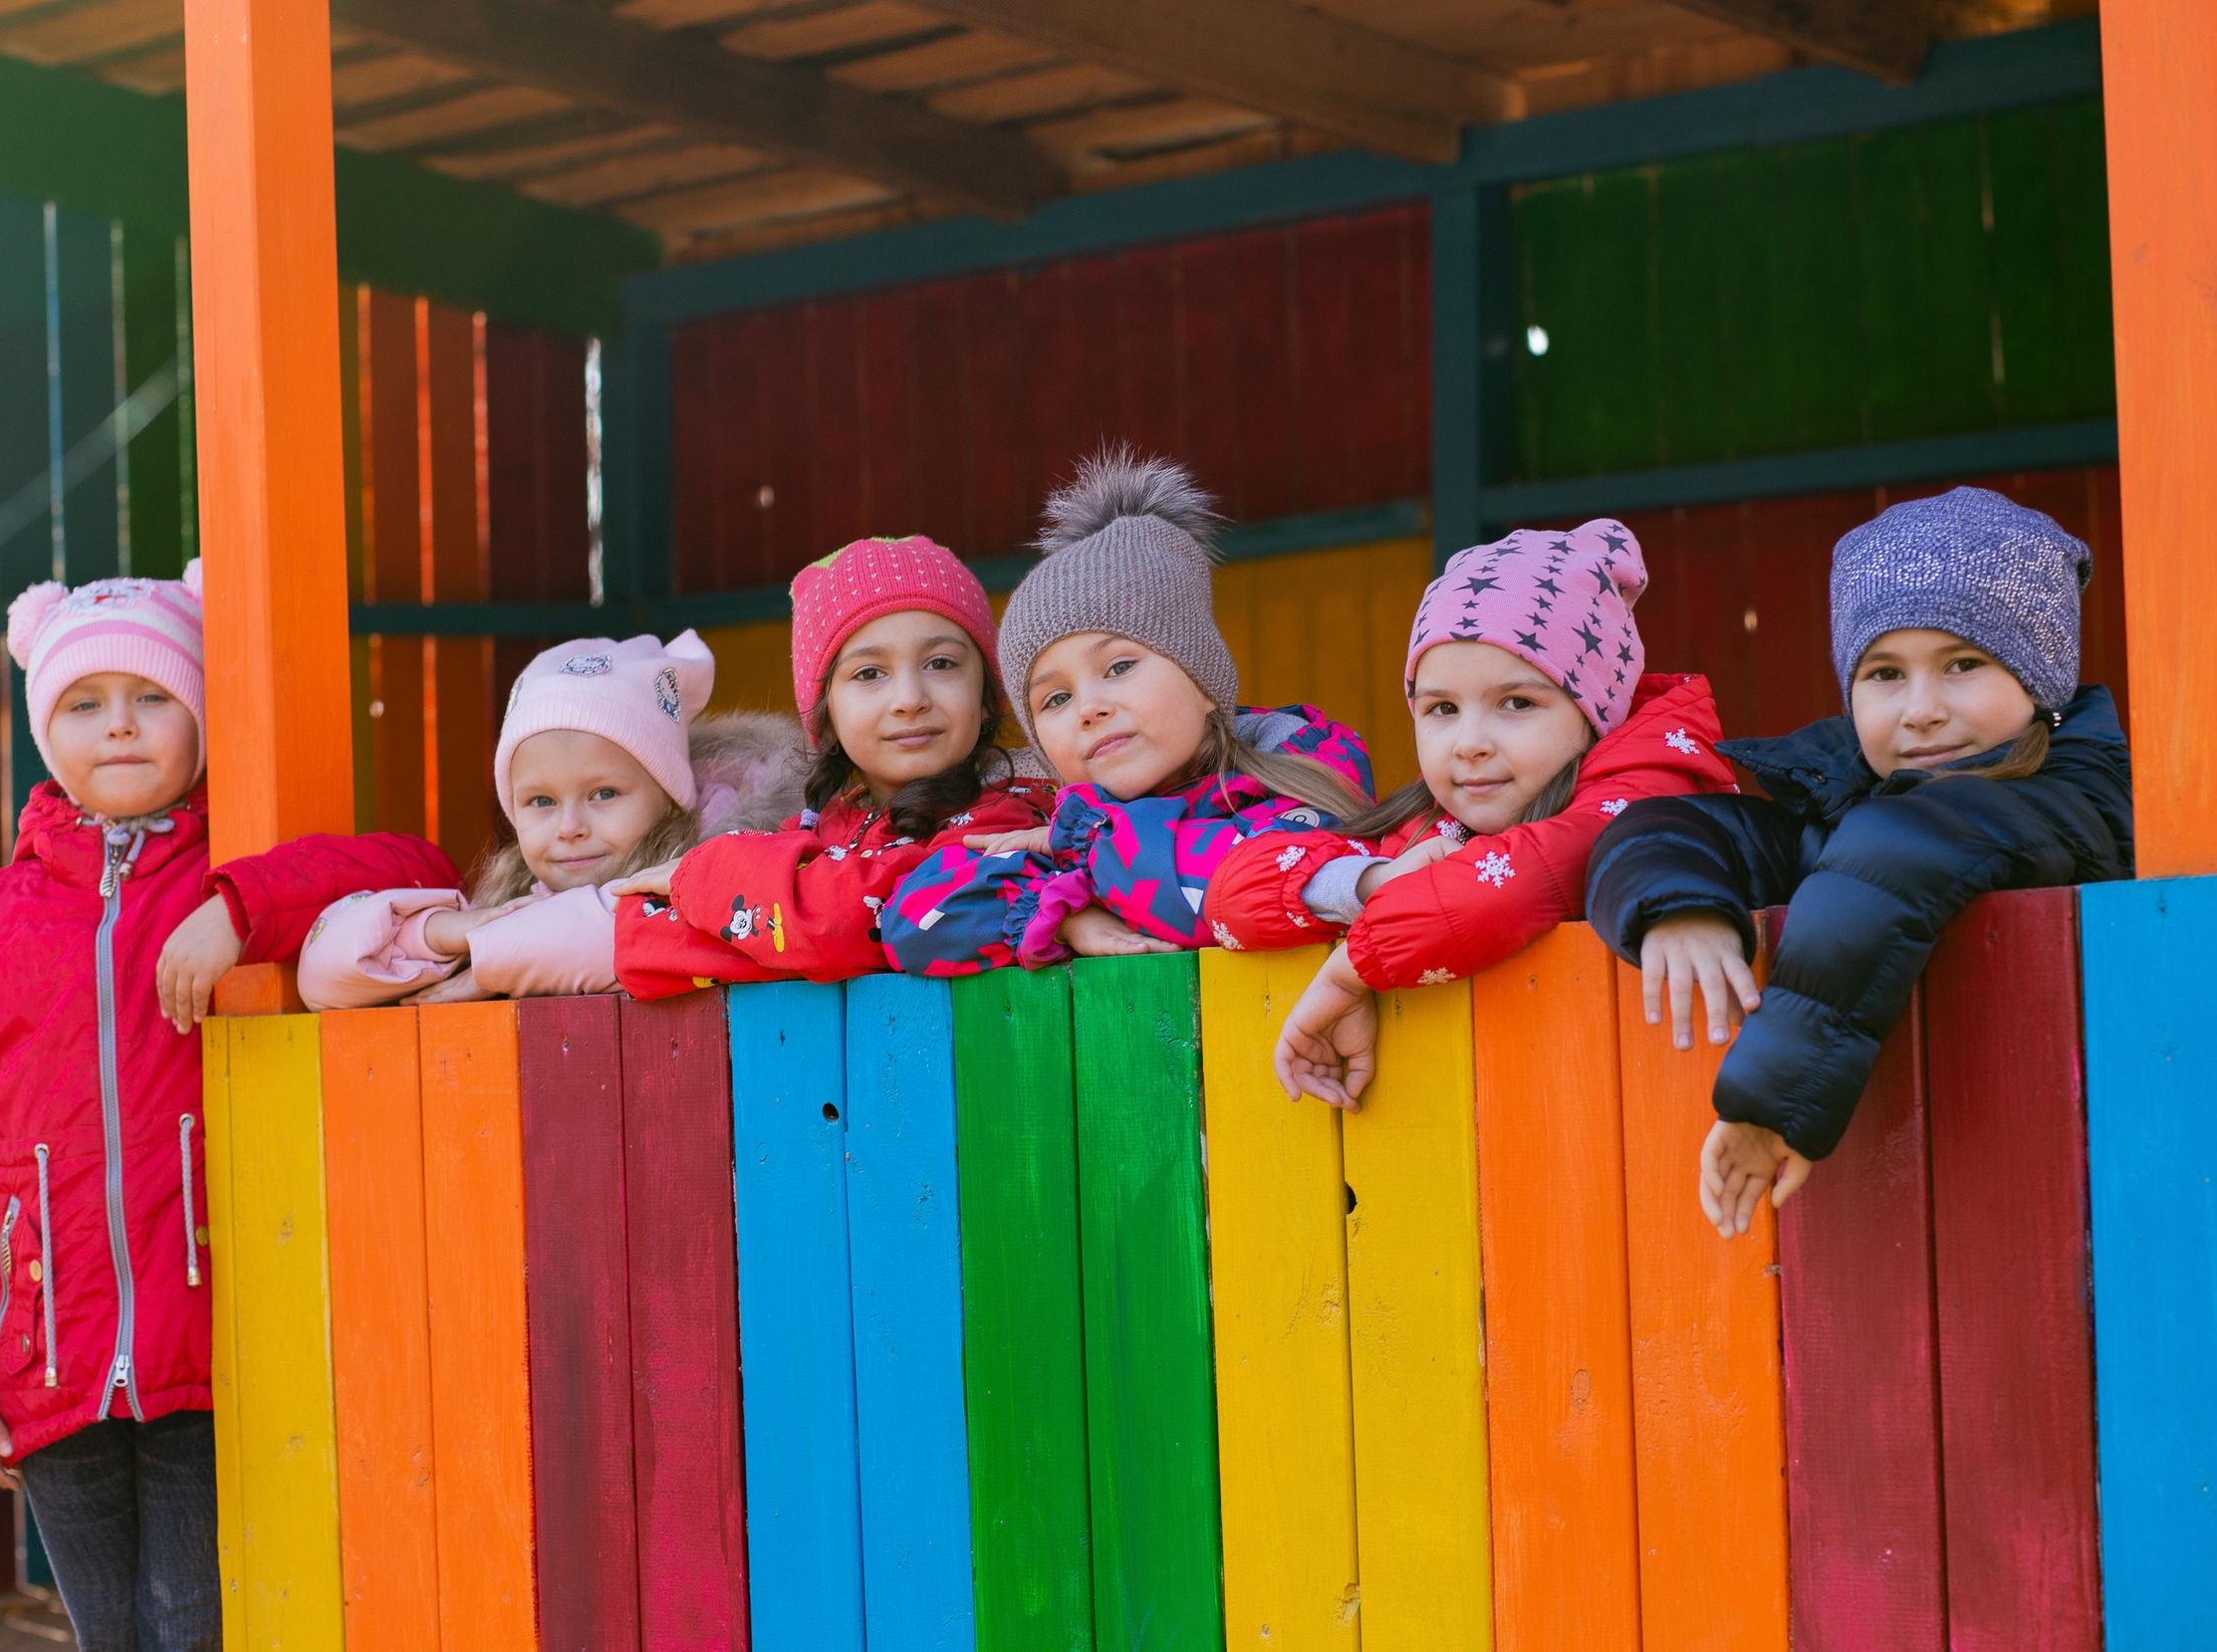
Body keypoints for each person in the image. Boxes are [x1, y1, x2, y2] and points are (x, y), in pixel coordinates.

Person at [0, 565, 449, 1652]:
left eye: (153, 695)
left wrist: (240, 908)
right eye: (85, 702)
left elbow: (418, 867)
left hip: (215, 1350)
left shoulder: (235, 876)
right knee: (110, 1633)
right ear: (45, 731)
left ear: (201, 714)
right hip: (48, 1356)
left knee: (194, 1628)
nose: (120, 725)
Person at [1586, 487, 2133, 1237]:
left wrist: (1773, 1103)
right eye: (1884, 674)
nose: (1921, 709)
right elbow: (1656, 827)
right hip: (1897, 1227)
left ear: (2040, 680)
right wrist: (1679, 907)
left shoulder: (2076, 800)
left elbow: (1900, 849)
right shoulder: (1842, 806)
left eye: (1963, 663)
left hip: (2082, 1202)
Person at [1212, 519, 1733, 1106]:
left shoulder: (1645, 794)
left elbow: (1499, 890)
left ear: (1597, 712)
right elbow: (1231, 895)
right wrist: (1376, 879)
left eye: (1517, 702)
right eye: (1442, 709)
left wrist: (1346, 974)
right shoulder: (1432, 822)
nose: (1469, 743)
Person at [883, 447, 1371, 976]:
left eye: (1118, 667)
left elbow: (1233, 886)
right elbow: (911, 923)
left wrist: (1089, 850)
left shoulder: (1300, 767)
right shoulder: (1062, 817)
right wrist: (1063, 915)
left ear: (1202, 678)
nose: (1089, 709)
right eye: (1056, 699)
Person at [169, 633, 805, 1012]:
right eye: (540, 802)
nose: (570, 826)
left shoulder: (715, 879)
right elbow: (322, 978)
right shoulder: (512, 901)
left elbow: (617, 930)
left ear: (670, 796)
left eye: (604, 793)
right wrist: (445, 932)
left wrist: (490, 961)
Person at [608, 535, 1053, 999]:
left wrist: (718, 888)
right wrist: (803, 937)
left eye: (941, 663)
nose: (909, 699)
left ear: (987, 696)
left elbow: (881, 921)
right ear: (827, 715)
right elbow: (640, 943)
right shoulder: (816, 830)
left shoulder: (1009, 823)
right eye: (869, 673)